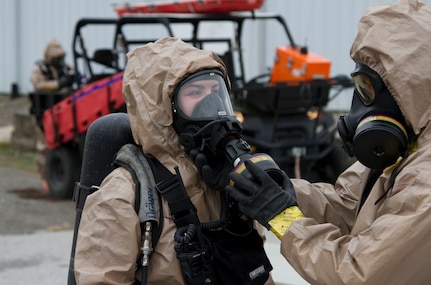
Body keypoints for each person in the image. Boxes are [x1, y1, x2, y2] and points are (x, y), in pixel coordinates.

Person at [226, 0, 431, 284]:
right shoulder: (410, 146)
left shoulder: (426, 179)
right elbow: (346, 207)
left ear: (410, 89)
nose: (359, 108)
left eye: (368, 90)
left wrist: (281, 216)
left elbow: (357, 272)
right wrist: (274, 187)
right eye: (359, 87)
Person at [74, 37, 274, 285]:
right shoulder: (124, 196)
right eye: (195, 92)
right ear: (162, 107)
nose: (210, 103)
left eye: (215, 91)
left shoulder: (228, 182)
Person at [30, 38, 74, 189]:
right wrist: (58, 84)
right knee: (44, 146)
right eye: (56, 58)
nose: (59, 61)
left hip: (62, 113)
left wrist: (72, 78)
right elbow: (38, 85)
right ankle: (46, 178)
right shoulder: (39, 68)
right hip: (43, 112)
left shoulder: (65, 67)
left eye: (60, 58)